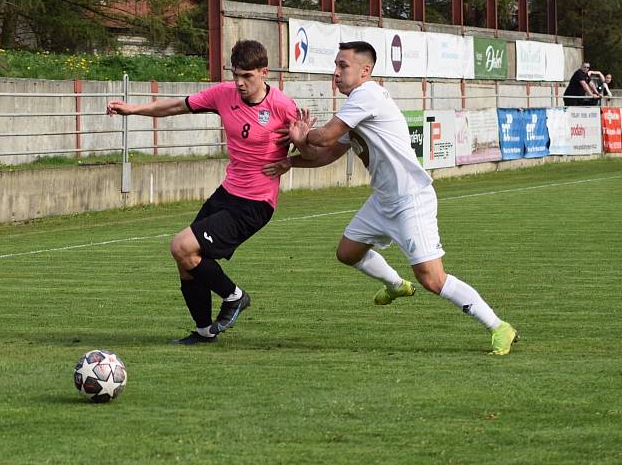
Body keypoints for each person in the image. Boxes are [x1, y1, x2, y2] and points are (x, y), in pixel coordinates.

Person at [262, 41, 518, 355]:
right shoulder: (356, 105)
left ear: (364, 71)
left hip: (411, 198)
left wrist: (303, 136)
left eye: (343, 66)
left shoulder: (367, 95)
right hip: (384, 199)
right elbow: (324, 153)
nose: (336, 73)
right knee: (347, 252)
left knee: (432, 278)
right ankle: (396, 285)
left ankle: (498, 326)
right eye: (336, 66)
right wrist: (293, 159)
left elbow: (322, 137)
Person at [106, 40, 302, 345]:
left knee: (181, 246)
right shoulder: (224, 95)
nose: (240, 83)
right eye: (236, 74)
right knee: (186, 262)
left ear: (264, 73)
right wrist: (134, 109)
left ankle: (235, 297)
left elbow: (316, 146)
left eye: (247, 76)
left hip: (255, 203)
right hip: (226, 193)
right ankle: (203, 331)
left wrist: (293, 158)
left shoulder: (283, 107)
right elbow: (175, 106)